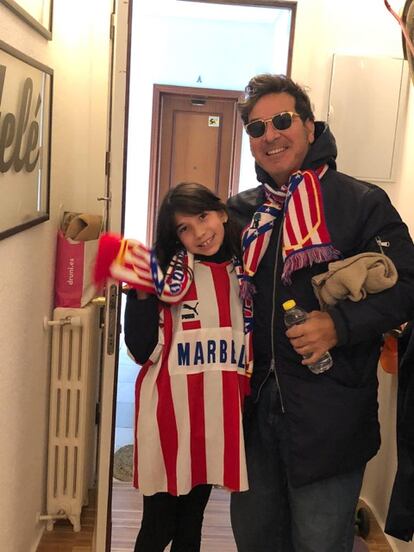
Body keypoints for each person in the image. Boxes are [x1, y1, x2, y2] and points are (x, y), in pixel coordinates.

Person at [227, 73, 414, 552]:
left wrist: (339, 325)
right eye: (256, 127)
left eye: (283, 120)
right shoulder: (240, 213)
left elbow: (408, 285)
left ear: (310, 127)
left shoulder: (361, 202)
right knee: (256, 541)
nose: (270, 135)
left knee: (320, 544)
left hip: (330, 416)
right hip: (250, 415)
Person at [94, 182, 252, 552]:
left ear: (222, 212)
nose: (199, 232)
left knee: (191, 522)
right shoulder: (164, 275)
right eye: (184, 227)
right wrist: (142, 288)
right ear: (174, 234)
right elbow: (140, 347)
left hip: (215, 418)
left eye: (203, 216)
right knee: (158, 524)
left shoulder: (245, 270)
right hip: (168, 418)